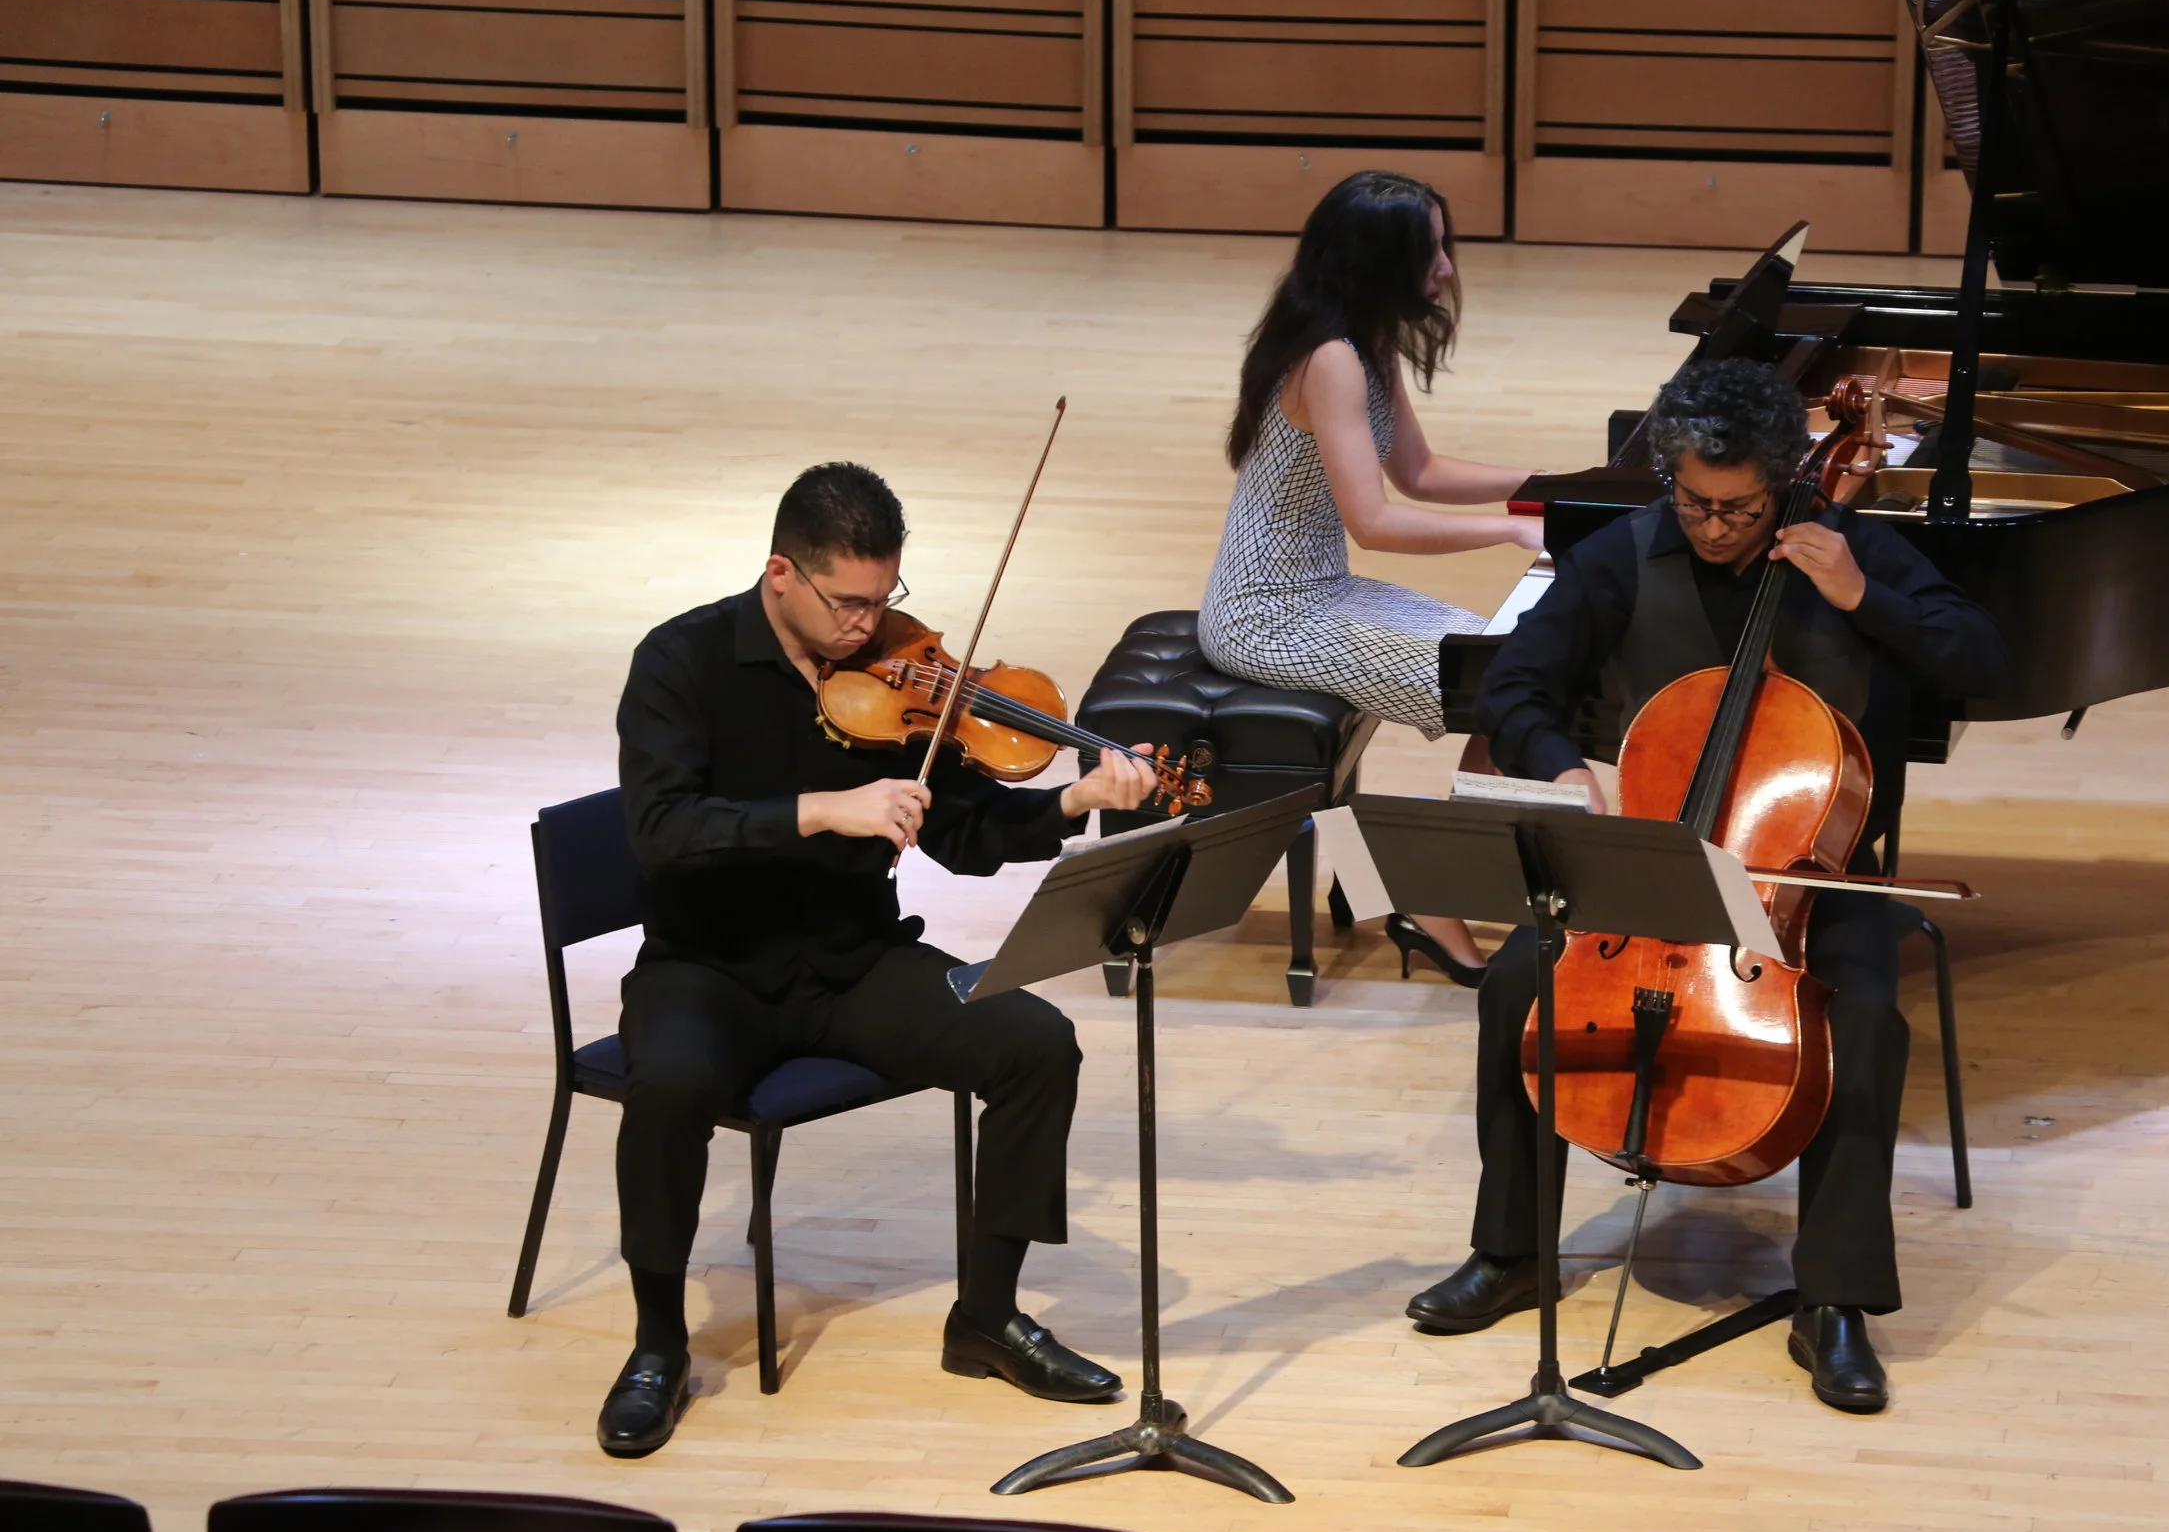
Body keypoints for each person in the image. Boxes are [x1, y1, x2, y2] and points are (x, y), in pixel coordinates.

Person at [1405, 358, 2011, 1414]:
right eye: (1693, 501)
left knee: (1864, 1016)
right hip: (1653, 860)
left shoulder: (1855, 549)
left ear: (1780, 482)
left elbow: (1981, 658)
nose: (1715, 525)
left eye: (1736, 507)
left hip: (1804, 878)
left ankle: (1834, 1300)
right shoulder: (1620, 554)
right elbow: (1516, 683)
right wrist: (1559, 766)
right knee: (1515, 984)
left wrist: (1862, 597)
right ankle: (1509, 1251)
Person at [598, 461, 1162, 1458]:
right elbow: (660, 828)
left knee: (1037, 1042)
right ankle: (655, 1340)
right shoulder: (680, 662)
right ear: (782, 573)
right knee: (672, 1079)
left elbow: (969, 833)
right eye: (847, 602)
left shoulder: (907, 673)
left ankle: (986, 1316)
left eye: (883, 596)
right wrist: (825, 807)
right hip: (707, 965)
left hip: (856, 960)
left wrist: (1074, 805)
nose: (870, 624)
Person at [1199, 169, 1542, 987]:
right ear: (1380, 260)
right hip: (1266, 616)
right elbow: (1375, 520)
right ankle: (1434, 889)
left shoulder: (1362, 336)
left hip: (1319, 590)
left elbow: (1417, 471)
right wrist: (1506, 526)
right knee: (1501, 690)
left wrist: (1543, 482)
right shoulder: (1331, 360)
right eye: (1433, 250)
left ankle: (1451, 876)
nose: (1449, 268)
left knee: (1509, 672)